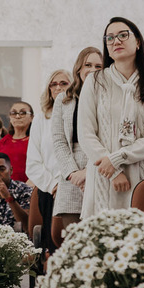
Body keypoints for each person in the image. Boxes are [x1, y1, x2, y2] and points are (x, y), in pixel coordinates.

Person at [79, 17, 144, 218]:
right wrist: (112, 171)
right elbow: (85, 133)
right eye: (110, 38)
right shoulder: (95, 81)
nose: (116, 41)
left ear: (138, 42)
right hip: (104, 175)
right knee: (103, 240)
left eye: (123, 35)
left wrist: (117, 158)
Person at [50, 47, 104, 237]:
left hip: (98, 168)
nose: (91, 69)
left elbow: (107, 139)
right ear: (79, 68)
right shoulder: (63, 99)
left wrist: (89, 172)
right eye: (87, 65)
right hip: (70, 173)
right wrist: (73, 173)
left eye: (98, 66)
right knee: (74, 241)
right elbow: (58, 140)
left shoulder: (107, 97)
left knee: (98, 236)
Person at [26, 70, 72, 251]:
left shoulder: (79, 114)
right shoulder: (40, 119)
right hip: (50, 191)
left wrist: (67, 182)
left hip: (76, 186)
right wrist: (54, 185)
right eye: (54, 84)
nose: (58, 87)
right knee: (53, 247)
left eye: (63, 83)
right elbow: (33, 163)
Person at [0, 101, 33, 182]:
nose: (17, 116)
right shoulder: (4, 141)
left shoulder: (35, 140)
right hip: (5, 189)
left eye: (22, 113)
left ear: (32, 117)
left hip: (29, 188)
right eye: (13, 113)